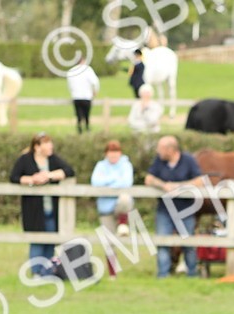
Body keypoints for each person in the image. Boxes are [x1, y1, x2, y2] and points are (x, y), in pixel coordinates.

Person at [10, 132, 76, 269]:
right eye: (46, 143)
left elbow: (69, 170)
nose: (50, 146)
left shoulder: (53, 160)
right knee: (37, 241)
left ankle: (48, 270)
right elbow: (14, 177)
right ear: (37, 147)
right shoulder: (25, 160)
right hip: (33, 210)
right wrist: (32, 180)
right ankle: (36, 272)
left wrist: (49, 176)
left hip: (52, 209)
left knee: (50, 241)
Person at [143, 135, 206, 278]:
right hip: (164, 210)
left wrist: (179, 187)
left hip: (186, 210)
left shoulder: (188, 160)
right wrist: (164, 185)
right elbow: (149, 179)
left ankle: (192, 274)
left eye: (160, 149)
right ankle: (163, 275)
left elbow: (200, 181)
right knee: (163, 242)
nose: (158, 152)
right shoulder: (159, 161)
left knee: (188, 243)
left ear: (170, 150)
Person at [91, 140, 134, 276]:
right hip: (105, 208)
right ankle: (112, 273)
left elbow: (126, 182)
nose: (113, 156)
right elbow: (95, 182)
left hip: (121, 206)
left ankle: (122, 223)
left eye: (116, 153)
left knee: (125, 199)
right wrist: (115, 179)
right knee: (108, 243)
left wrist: (107, 182)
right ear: (106, 154)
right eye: (111, 153)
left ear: (120, 153)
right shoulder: (100, 166)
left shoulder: (126, 165)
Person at [67, 56, 100, 134]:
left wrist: (73, 92)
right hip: (86, 96)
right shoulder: (87, 70)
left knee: (79, 114)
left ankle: (80, 130)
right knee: (86, 114)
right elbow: (95, 81)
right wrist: (95, 91)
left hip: (76, 96)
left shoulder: (71, 71)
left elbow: (70, 85)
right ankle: (87, 128)